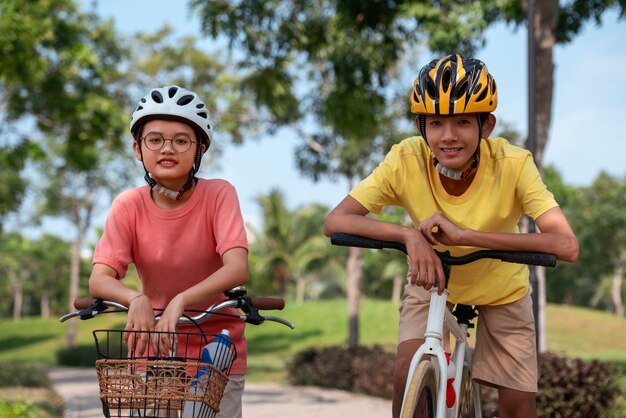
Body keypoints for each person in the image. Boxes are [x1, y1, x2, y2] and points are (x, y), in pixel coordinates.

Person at [323, 54, 578, 418]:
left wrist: (468, 236)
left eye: (462, 122)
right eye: (437, 123)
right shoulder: (405, 159)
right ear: (420, 125)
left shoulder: (514, 163)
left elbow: (566, 245)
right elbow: (336, 221)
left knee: (519, 404)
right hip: (431, 280)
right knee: (407, 371)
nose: (448, 136)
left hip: (501, 289)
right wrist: (409, 236)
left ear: (486, 125)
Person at [89, 85, 249, 417]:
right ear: (138, 148)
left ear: (199, 150)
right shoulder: (128, 205)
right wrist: (136, 298)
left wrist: (180, 300)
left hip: (216, 348)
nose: (168, 148)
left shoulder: (218, 195)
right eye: (155, 139)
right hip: (152, 351)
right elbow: (100, 278)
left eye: (181, 140)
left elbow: (236, 268)